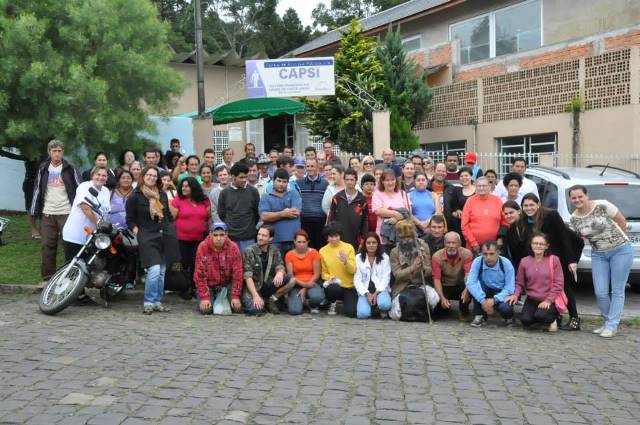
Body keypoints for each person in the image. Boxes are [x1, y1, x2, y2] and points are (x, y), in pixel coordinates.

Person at [569, 185, 631, 338]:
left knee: (617, 290)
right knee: (600, 292)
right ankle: (607, 322)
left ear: (586, 195)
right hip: (598, 254)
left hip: (620, 250)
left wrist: (617, 241)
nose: (577, 200)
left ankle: (612, 325)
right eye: (574, 198)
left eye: (580, 196)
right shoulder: (574, 218)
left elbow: (621, 221)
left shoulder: (602, 205)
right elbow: (578, 239)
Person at [520, 193, 583, 331]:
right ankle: (556, 316)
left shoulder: (551, 215)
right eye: (525, 205)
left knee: (564, 286)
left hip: (565, 251)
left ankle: (574, 319)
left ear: (539, 204)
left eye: (532, 205)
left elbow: (565, 237)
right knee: (549, 284)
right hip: (547, 253)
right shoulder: (525, 219)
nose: (529, 208)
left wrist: (571, 260)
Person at [126, 165, 180, 314]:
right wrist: (139, 234)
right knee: (154, 269)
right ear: (143, 176)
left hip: (164, 234)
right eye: (149, 175)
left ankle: (157, 301)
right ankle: (149, 301)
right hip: (147, 236)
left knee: (162, 271)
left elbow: (167, 215)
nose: (151, 178)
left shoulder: (161, 194)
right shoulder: (135, 196)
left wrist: (171, 229)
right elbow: (130, 220)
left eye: (154, 176)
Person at [31, 139, 81, 288]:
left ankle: (69, 279)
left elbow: (80, 188)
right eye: (54, 151)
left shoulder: (70, 168)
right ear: (49, 152)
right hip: (48, 213)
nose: (57, 153)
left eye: (59, 151)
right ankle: (47, 279)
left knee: (69, 246)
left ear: (63, 152)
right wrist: (34, 212)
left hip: (66, 212)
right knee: (47, 246)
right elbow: (37, 190)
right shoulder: (43, 168)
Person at [506, 233, 564, 332]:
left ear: (547, 246)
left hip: (550, 299)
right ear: (531, 245)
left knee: (541, 316)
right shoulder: (524, 261)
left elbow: (559, 283)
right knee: (525, 320)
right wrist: (515, 295)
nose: (538, 246)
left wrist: (548, 300)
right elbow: (520, 282)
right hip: (532, 299)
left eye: (541, 244)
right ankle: (541, 322)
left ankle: (553, 319)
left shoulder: (554, 260)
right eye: (535, 243)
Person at [170, 176, 211, 297]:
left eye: (187, 186)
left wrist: (210, 233)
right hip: (181, 239)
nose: (184, 188)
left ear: (193, 187)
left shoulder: (204, 200)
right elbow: (171, 219)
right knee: (183, 264)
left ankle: (194, 287)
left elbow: (209, 218)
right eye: (182, 186)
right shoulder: (178, 200)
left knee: (197, 264)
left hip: (199, 239)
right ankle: (184, 288)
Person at [242, 226, 297, 315]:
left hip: (269, 284)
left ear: (270, 238)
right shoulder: (249, 251)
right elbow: (248, 276)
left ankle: (273, 299)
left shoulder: (274, 250)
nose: (260, 237)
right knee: (255, 310)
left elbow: (280, 265)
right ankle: (263, 301)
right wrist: (255, 296)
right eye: (259, 234)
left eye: (264, 236)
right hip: (255, 287)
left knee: (292, 280)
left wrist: (279, 272)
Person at [193, 222, 243, 315]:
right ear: (210, 234)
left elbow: (238, 273)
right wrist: (204, 297)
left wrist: (235, 295)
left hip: (227, 285)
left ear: (226, 235)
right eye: (215, 235)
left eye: (221, 235)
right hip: (209, 285)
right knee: (206, 310)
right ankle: (207, 298)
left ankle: (225, 298)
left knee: (237, 309)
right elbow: (199, 274)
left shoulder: (233, 247)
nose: (218, 238)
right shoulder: (203, 247)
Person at [62, 166, 111, 261]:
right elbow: (85, 208)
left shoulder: (106, 191)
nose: (101, 177)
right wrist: (100, 224)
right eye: (98, 174)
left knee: (87, 266)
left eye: (104, 175)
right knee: (72, 266)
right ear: (92, 175)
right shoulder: (84, 186)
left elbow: (106, 212)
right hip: (76, 235)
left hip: (93, 237)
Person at [466, 240, 515, 327]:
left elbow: (510, 288)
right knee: (475, 288)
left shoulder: (506, 263)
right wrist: (483, 301)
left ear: (498, 252)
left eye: (491, 254)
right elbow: (471, 283)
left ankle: (509, 317)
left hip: (501, 291)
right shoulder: (478, 261)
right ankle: (479, 315)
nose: (488, 257)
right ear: (481, 253)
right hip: (485, 289)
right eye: (485, 254)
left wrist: (494, 300)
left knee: (505, 309)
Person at [218, 162, 260, 254]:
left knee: (248, 265)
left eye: (246, 177)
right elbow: (222, 214)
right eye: (241, 177)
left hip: (249, 237)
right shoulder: (224, 193)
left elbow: (257, 213)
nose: (244, 180)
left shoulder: (253, 191)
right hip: (231, 237)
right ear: (233, 176)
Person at [259, 168, 302, 257]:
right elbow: (264, 216)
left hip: (293, 239)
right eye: (279, 181)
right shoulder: (266, 197)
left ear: (288, 182)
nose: (281, 184)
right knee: (276, 268)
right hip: (274, 240)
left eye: (284, 182)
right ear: (273, 180)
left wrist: (273, 215)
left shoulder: (294, 194)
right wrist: (283, 213)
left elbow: (295, 213)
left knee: (293, 269)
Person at [461, 177, 508, 255]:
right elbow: (464, 225)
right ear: (475, 187)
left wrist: (501, 238)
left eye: (484, 185)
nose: (481, 188)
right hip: (474, 246)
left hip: (495, 246)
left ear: (489, 187)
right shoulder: (470, 201)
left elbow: (505, 221)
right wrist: (473, 243)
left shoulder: (497, 200)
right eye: (479, 186)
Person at [431, 232, 473, 319]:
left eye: (454, 243)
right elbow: (437, 279)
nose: (451, 245)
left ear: (459, 244)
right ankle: (445, 306)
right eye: (448, 243)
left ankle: (463, 310)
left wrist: (467, 291)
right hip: (445, 285)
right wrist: (442, 297)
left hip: (460, 284)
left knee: (470, 290)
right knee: (441, 310)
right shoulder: (436, 256)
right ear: (444, 244)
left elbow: (468, 275)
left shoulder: (467, 254)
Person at [284, 229, 326, 315]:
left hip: (311, 282)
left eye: (304, 242)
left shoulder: (314, 252)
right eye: (299, 242)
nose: (302, 244)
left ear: (308, 242)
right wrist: (304, 285)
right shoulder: (289, 255)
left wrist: (305, 288)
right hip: (296, 284)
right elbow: (291, 276)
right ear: (294, 242)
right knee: (295, 311)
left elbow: (317, 274)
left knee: (318, 298)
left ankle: (308, 302)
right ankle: (303, 303)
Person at [320, 223, 357, 317]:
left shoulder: (349, 247)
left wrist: (346, 262)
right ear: (327, 237)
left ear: (340, 235)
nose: (334, 239)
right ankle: (332, 302)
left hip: (348, 286)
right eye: (331, 236)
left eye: (336, 236)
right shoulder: (322, 251)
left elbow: (353, 270)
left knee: (352, 313)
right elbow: (323, 273)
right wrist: (330, 277)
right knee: (333, 288)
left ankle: (346, 302)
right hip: (334, 285)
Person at [327, 168, 368, 250]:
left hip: (356, 240)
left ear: (356, 181)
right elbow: (331, 219)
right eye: (347, 179)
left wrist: (363, 239)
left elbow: (365, 222)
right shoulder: (337, 198)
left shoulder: (362, 199)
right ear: (344, 180)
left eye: (352, 179)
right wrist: (330, 235)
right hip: (339, 239)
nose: (349, 182)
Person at [108, 169, 137, 288]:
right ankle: (112, 277)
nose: (126, 180)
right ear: (119, 180)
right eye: (123, 177)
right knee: (112, 253)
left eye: (128, 178)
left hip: (131, 230)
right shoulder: (110, 193)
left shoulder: (136, 193)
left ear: (132, 180)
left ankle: (129, 279)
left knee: (132, 252)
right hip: (113, 230)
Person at [353, 232, 392, 319]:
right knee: (362, 315)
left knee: (385, 305)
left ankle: (380, 308)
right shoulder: (358, 258)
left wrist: (375, 294)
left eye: (374, 243)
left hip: (380, 290)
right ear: (365, 244)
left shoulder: (385, 257)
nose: (371, 245)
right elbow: (357, 279)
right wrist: (367, 294)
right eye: (368, 243)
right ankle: (373, 309)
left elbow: (386, 278)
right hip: (365, 290)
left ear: (378, 244)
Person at [373, 168, 411, 249]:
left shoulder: (402, 193)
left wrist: (396, 219)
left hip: (402, 234)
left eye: (392, 180)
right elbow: (378, 211)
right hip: (383, 236)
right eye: (387, 180)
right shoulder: (377, 194)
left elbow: (408, 212)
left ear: (396, 181)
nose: (390, 183)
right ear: (382, 181)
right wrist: (396, 214)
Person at [298, 158, 328, 250]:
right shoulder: (299, 183)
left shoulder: (325, 183)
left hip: (321, 222)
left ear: (317, 167)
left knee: (320, 249)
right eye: (308, 166)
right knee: (306, 249)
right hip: (304, 222)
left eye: (312, 166)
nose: (310, 168)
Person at [447, 166, 475, 240]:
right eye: (461, 176)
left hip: (475, 224)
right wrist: (457, 211)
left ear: (471, 176)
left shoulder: (477, 190)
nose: (464, 178)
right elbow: (453, 209)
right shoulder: (456, 191)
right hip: (460, 225)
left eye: (466, 175)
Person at [500, 201, 526, 271]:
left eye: (511, 212)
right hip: (519, 268)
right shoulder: (510, 230)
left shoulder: (528, 224)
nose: (508, 216)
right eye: (506, 214)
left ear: (519, 211)